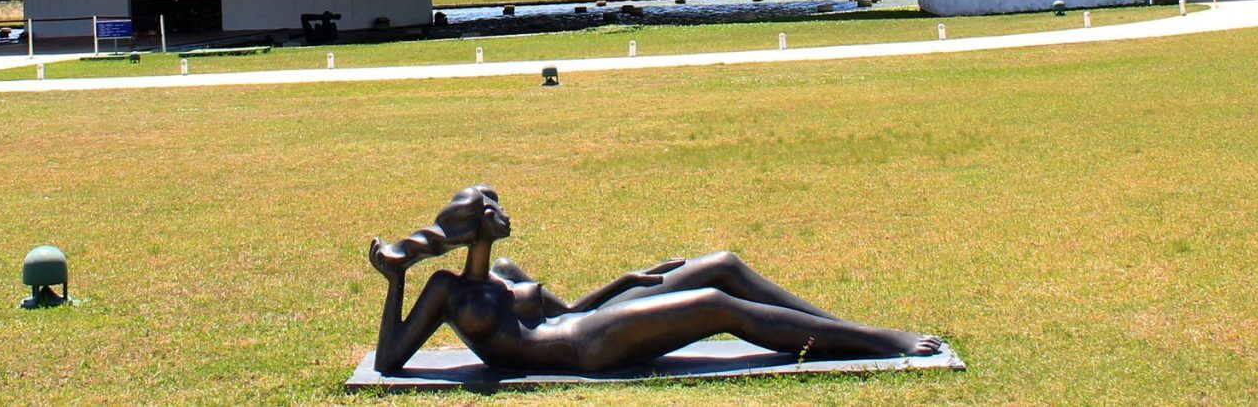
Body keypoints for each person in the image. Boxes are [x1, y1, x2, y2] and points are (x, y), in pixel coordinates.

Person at [369, 185, 941, 375]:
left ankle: (840, 330)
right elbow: (391, 359)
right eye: (494, 211)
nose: (505, 214)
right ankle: (880, 342)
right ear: (473, 228)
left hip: (586, 324)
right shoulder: (447, 289)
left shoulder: (504, 273)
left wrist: (622, 281)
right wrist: (396, 282)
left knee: (721, 263)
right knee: (716, 304)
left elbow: (566, 309)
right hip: (584, 350)